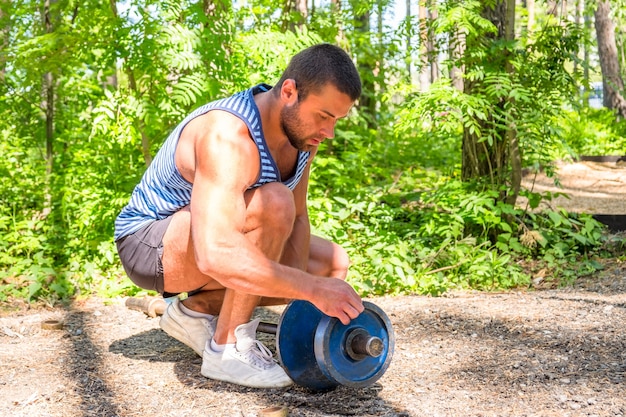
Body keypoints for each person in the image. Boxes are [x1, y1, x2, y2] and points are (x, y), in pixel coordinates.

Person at [114, 43, 364, 389]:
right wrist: (309, 288)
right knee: (274, 203)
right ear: (289, 91)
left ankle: (194, 312)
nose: (329, 132)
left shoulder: (303, 137)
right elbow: (215, 253)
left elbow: (300, 218)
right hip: (150, 244)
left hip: (212, 239)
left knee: (330, 265)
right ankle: (227, 348)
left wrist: (305, 296)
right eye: (324, 116)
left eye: (336, 120)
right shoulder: (228, 134)